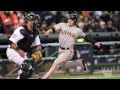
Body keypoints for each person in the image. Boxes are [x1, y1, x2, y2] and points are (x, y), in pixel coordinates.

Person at [41, 13, 101, 79]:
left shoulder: (77, 30)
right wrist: (50, 30)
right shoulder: (62, 25)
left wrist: (95, 42)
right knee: (64, 66)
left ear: (75, 21)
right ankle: (79, 62)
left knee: (56, 63)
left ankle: (44, 78)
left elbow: (86, 37)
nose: (70, 20)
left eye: (72, 19)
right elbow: (53, 28)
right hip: (60, 49)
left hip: (68, 51)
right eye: (69, 18)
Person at [6, 12, 42, 79]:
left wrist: (38, 51)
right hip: (13, 51)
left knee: (29, 71)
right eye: (33, 20)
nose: (35, 22)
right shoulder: (21, 30)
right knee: (26, 65)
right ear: (28, 21)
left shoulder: (35, 32)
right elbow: (10, 42)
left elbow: (38, 45)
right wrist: (18, 50)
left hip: (22, 52)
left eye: (36, 20)